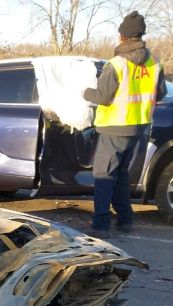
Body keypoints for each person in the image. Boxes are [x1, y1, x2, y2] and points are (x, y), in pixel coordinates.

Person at [83, 11, 166, 236]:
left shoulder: (116, 64)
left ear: (122, 37)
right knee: (121, 176)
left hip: (114, 127)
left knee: (104, 176)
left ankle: (101, 225)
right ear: (140, 36)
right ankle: (125, 220)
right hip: (139, 128)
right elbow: (160, 94)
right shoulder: (155, 63)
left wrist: (84, 92)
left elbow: (102, 97)